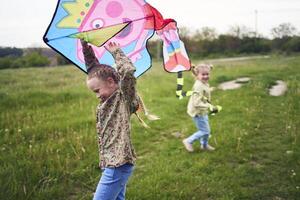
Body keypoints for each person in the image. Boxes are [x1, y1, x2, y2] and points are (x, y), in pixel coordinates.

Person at [81, 40, 139, 200]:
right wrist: (85, 47)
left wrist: (116, 52)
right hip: (110, 161)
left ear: (111, 82)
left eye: (97, 91)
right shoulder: (107, 100)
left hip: (119, 163)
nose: (97, 95)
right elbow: (94, 69)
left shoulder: (124, 96)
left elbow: (127, 72)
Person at [182, 64, 219, 152]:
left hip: (202, 111)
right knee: (205, 131)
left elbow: (203, 91)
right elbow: (196, 103)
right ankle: (188, 141)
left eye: (207, 74)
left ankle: (204, 145)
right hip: (197, 112)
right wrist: (210, 106)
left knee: (207, 130)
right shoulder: (199, 86)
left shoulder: (203, 83)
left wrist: (209, 89)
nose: (206, 76)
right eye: (203, 74)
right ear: (197, 75)